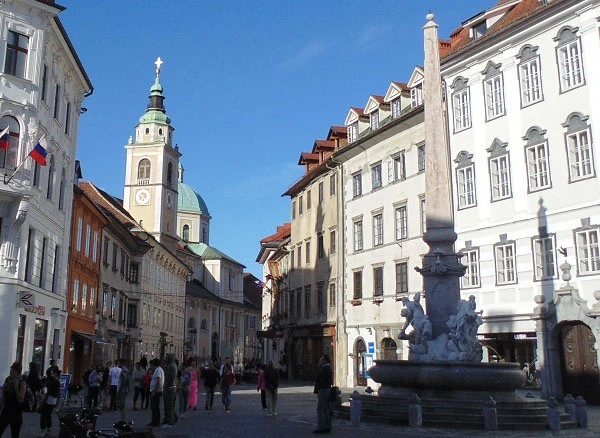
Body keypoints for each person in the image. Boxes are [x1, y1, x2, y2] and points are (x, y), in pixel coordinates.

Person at [0, 362, 27, 437]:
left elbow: (21, 399)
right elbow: (4, 395)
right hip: (6, 411)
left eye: (13, 371)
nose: (11, 373)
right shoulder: (8, 379)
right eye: (11, 371)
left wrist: (15, 387)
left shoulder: (22, 382)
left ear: (18, 372)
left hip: (16, 413)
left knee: (15, 435)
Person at [313, 355, 333, 434]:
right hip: (326, 388)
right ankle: (327, 425)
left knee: (320, 408)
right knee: (325, 408)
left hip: (323, 389)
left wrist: (318, 383)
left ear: (325, 360)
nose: (320, 360)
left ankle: (321, 427)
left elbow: (321, 378)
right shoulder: (327, 367)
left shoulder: (324, 368)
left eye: (321, 359)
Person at [39, 366, 60, 437]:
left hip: (50, 399)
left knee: (44, 414)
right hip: (51, 399)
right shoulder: (54, 380)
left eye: (53, 373)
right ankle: (48, 428)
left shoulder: (55, 381)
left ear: (56, 374)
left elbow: (50, 387)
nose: (51, 374)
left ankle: (44, 429)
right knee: (47, 414)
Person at [162, 355, 177, 428]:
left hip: (169, 388)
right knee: (171, 406)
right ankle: (172, 420)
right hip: (173, 387)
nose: (165, 359)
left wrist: (164, 388)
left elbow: (168, 379)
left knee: (169, 406)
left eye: (166, 358)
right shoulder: (173, 365)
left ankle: (170, 422)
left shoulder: (170, 367)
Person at [148, 358, 163, 427]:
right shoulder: (158, 370)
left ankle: (156, 421)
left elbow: (158, 380)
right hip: (157, 391)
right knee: (154, 407)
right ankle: (154, 421)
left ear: (154, 364)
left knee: (155, 407)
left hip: (156, 391)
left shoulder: (158, 370)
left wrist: (154, 391)